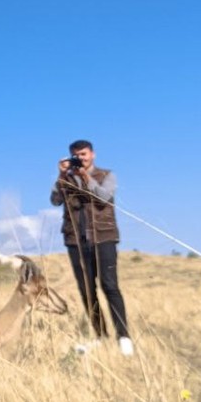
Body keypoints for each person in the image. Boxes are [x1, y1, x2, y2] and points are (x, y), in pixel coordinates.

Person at [50, 139, 133, 355]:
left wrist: (86, 177)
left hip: (103, 237)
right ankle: (100, 335)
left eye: (84, 154)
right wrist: (62, 175)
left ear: (92, 154)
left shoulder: (106, 175)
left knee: (110, 286)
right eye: (76, 155)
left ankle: (123, 336)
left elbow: (103, 198)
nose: (81, 159)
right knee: (87, 290)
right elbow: (55, 200)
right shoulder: (65, 179)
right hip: (75, 240)